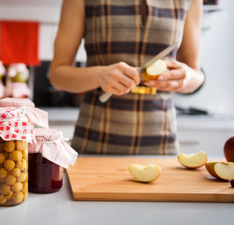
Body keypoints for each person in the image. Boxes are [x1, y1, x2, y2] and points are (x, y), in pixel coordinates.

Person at [49, 0, 204, 155]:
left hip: (162, 143)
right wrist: (99, 76)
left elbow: (196, 75)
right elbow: (57, 75)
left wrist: (187, 77)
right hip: (95, 141)